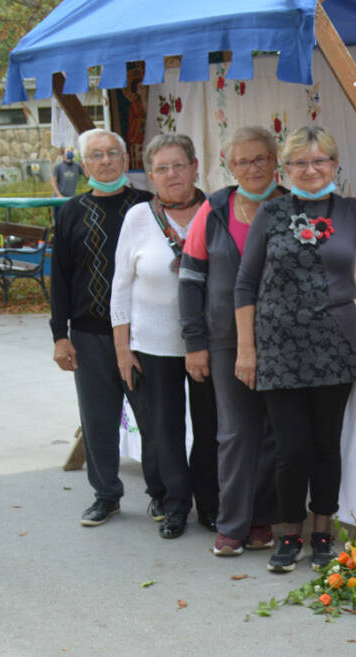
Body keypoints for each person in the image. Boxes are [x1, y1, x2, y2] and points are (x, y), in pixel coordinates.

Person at [234, 126, 356, 572]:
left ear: (334, 165)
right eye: (300, 163)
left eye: (320, 161)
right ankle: (290, 534)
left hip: (333, 344)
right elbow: (245, 283)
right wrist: (246, 350)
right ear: (286, 169)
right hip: (278, 348)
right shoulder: (270, 214)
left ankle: (324, 533)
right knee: (291, 449)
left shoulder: (350, 212)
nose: (311, 170)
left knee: (326, 447)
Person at [179, 126, 286, 556]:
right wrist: (194, 341)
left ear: (275, 161)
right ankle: (232, 523)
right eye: (241, 161)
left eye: (259, 159)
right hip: (224, 338)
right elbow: (189, 279)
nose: (252, 168)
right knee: (235, 431)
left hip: (282, 338)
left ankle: (261, 519)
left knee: (273, 432)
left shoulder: (292, 206)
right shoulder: (215, 208)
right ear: (229, 166)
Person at [111, 133, 219, 540]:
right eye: (162, 168)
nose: (172, 174)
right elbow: (120, 287)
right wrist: (123, 349)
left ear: (195, 165)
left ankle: (211, 503)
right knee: (165, 429)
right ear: (151, 176)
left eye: (179, 165)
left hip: (207, 343)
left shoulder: (217, 210)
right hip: (153, 344)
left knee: (210, 427)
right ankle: (176, 505)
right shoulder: (138, 218)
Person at [49, 128, 156, 527]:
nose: (106, 161)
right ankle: (106, 494)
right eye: (96, 155)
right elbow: (59, 278)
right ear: (84, 163)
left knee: (153, 416)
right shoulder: (71, 212)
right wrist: (60, 335)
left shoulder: (148, 207)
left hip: (144, 334)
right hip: (90, 334)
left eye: (113, 153)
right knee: (97, 418)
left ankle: (161, 494)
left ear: (126, 158)